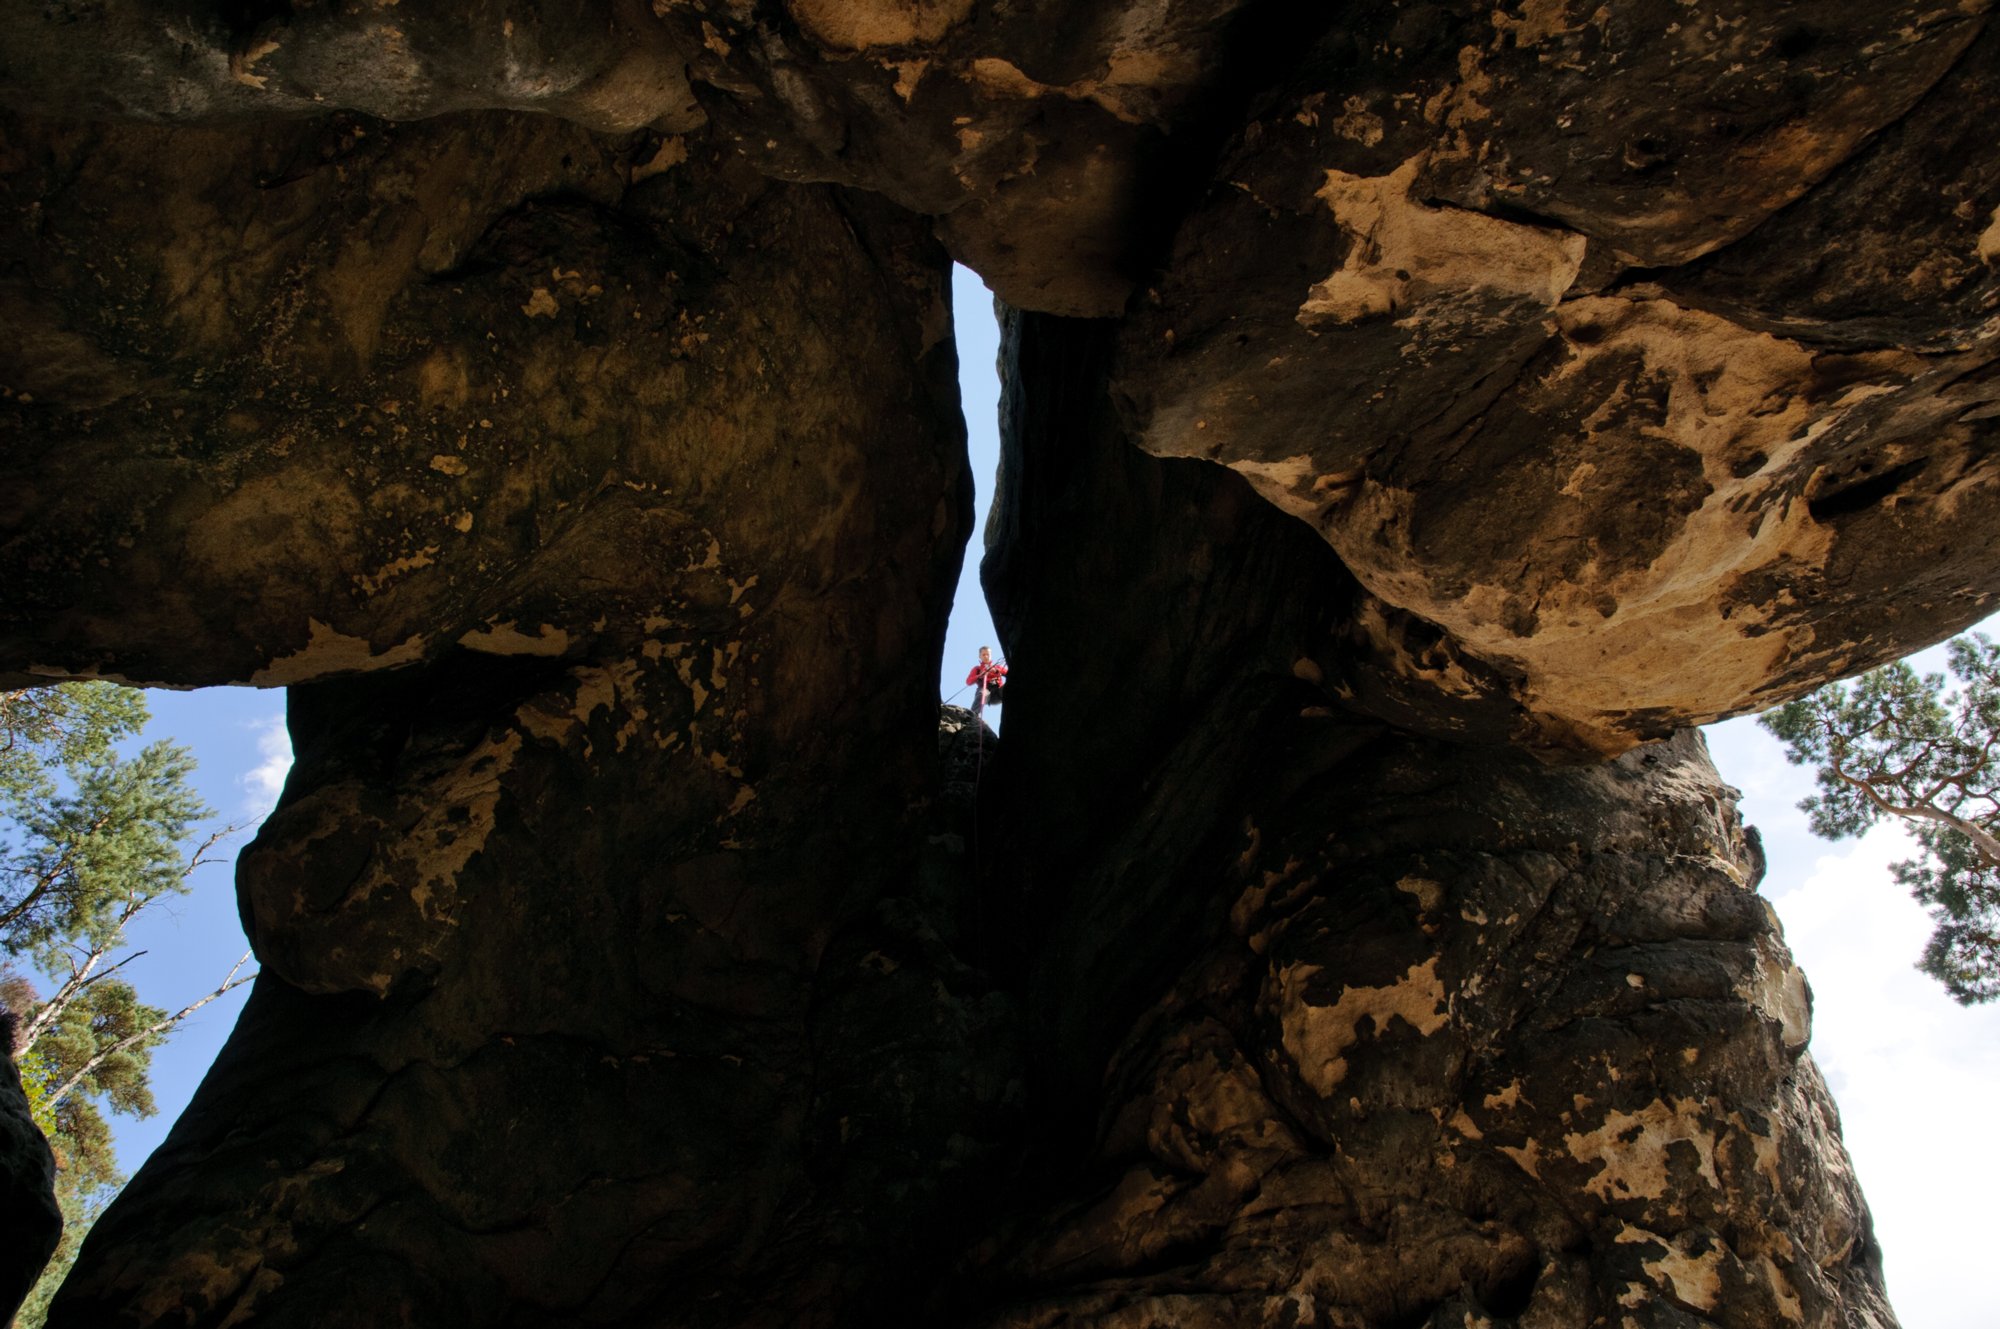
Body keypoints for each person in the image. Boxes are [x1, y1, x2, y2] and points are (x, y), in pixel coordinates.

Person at [966, 646, 1007, 713]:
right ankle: (973, 716)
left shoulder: (998, 667)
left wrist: (996, 671)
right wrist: (979, 676)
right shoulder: (977, 669)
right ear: (980, 656)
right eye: (983, 655)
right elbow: (968, 681)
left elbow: (1010, 674)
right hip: (985, 691)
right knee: (982, 694)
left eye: (988, 654)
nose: (986, 656)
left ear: (991, 655)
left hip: (998, 692)